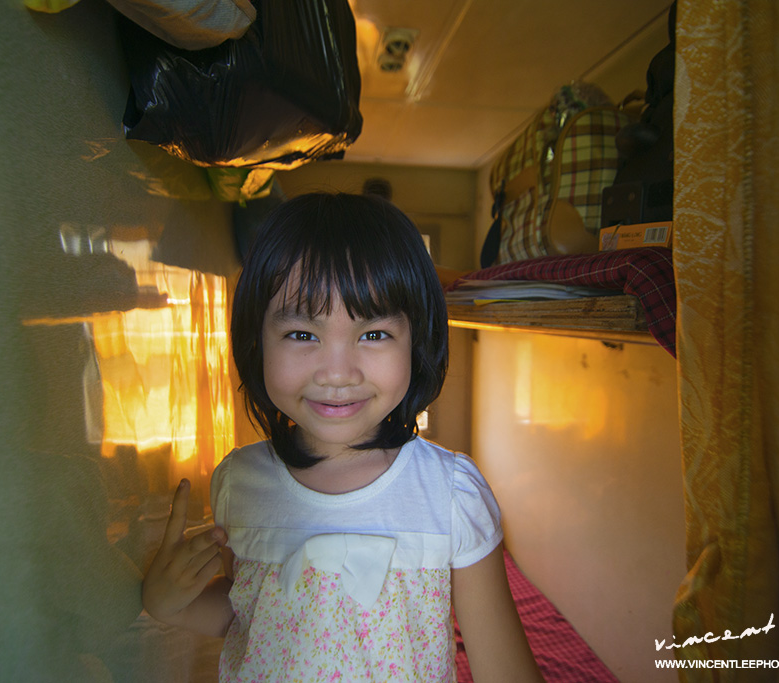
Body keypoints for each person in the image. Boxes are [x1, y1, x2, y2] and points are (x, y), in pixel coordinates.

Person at [142, 192, 544, 682]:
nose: (337, 372)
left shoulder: (450, 497)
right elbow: (246, 615)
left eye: (373, 334)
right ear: (256, 341)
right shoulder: (237, 484)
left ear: (417, 341)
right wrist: (169, 605)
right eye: (302, 334)